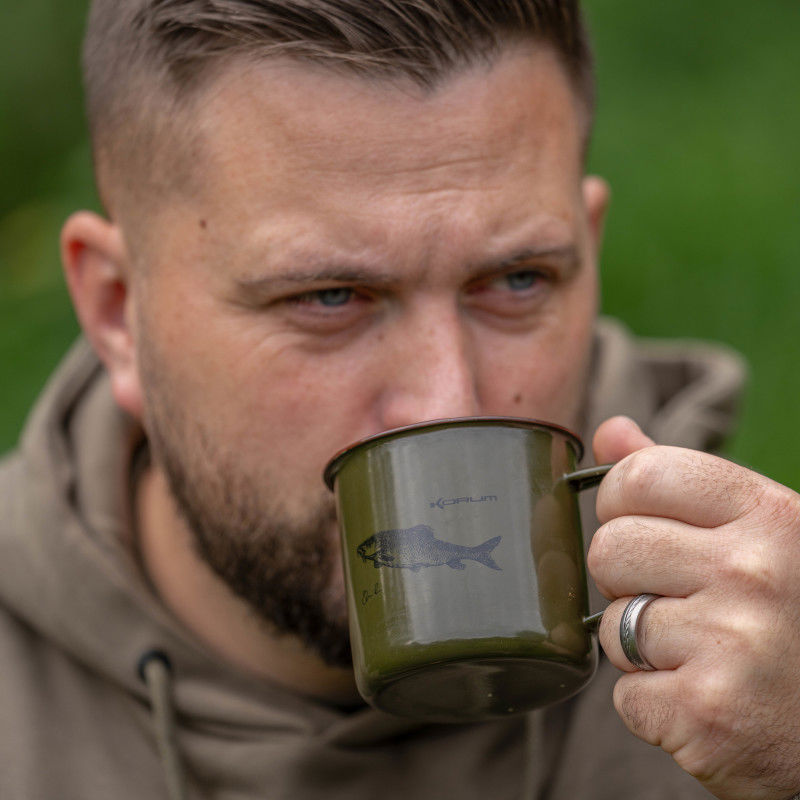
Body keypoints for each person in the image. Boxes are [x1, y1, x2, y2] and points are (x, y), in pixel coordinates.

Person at [1, 1, 798, 798]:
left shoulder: (763, 665)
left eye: (517, 281)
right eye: (329, 296)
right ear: (116, 311)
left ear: (586, 250)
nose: (446, 405)